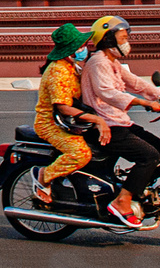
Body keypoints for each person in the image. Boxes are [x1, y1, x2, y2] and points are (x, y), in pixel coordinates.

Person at [80, 16, 160, 228]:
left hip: (119, 121)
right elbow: (107, 93)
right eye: (122, 38)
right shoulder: (98, 62)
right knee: (149, 156)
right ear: (109, 40)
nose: (126, 42)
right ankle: (123, 200)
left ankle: (134, 187)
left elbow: (134, 81)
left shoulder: (113, 63)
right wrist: (142, 102)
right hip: (105, 125)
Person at [31, 23, 109, 205]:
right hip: (50, 124)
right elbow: (63, 108)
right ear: (71, 50)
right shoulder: (58, 72)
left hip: (70, 121)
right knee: (81, 154)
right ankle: (44, 176)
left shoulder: (72, 67)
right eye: (81, 46)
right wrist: (97, 120)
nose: (84, 49)